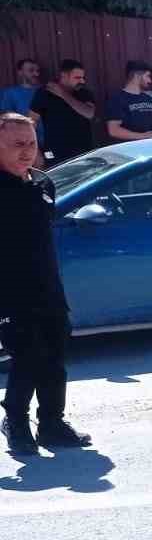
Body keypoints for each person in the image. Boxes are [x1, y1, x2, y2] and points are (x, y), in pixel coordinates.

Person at [0, 113, 90, 455]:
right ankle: (16, 424)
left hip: (49, 288)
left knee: (54, 356)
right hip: (10, 293)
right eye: (17, 144)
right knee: (28, 357)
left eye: (32, 143)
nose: (26, 151)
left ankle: (52, 423)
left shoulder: (42, 184)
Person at [30, 59, 95, 164]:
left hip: (83, 150)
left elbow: (89, 113)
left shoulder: (84, 93)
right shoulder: (44, 93)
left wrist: (63, 94)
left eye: (83, 77)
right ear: (64, 76)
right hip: (55, 152)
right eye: (77, 77)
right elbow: (32, 122)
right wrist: (36, 151)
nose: (82, 81)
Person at [104, 60, 152, 142]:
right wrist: (144, 136)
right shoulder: (117, 99)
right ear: (137, 76)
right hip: (131, 151)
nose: (150, 81)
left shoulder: (148, 98)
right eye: (147, 76)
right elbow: (113, 130)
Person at [0, 59, 44, 144]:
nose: (36, 74)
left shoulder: (46, 90)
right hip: (27, 142)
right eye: (31, 70)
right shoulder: (10, 93)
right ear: (20, 72)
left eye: (37, 71)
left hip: (50, 141)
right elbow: (8, 118)